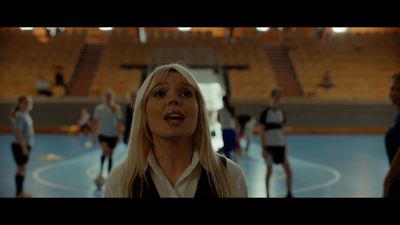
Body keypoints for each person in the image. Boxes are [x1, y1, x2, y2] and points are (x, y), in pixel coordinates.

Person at [103, 63, 248, 197]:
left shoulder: (231, 176)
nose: (173, 99)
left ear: (199, 110)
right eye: (159, 93)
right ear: (144, 111)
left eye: (185, 93)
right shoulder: (119, 181)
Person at [258, 89, 293, 198]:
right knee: (269, 171)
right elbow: (261, 131)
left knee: (289, 171)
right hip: (269, 147)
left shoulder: (282, 112)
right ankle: (267, 194)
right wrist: (263, 148)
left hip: (281, 146)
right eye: (276, 96)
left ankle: (289, 193)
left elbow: (283, 130)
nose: (277, 98)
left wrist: (286, 146)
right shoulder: (265, 112)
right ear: (271, 97)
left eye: (279, 96)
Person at [92, 89, 123, 189]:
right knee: (105, 151)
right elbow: (96, 121)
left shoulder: (116, 108)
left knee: (110, 155)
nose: (108, 98)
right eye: (107, 96)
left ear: (112, 97)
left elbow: (118, 122)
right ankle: (100, 172)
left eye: (110, 96)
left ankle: (109, 175)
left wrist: (119, 134)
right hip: (103, 134)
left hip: (113, 134)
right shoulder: (99, 108)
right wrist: (93, 135)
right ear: (104, 97)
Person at [10, 95, 34, 197]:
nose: (26, 104)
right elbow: (18, 132)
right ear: (19, 104)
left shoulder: (26, 114)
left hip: (26, 145)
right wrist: (24, 147)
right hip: (19, 146)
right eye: (24, 102)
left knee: (23, 168)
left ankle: (21, 191)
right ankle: (19, 192)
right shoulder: (20, 116)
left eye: (28, 102)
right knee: (21, 168)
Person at [384, 73, 400, 198]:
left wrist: (388, 181)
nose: (393, 93)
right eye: (392, 89)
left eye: (398, 90)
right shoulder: (397, 118)